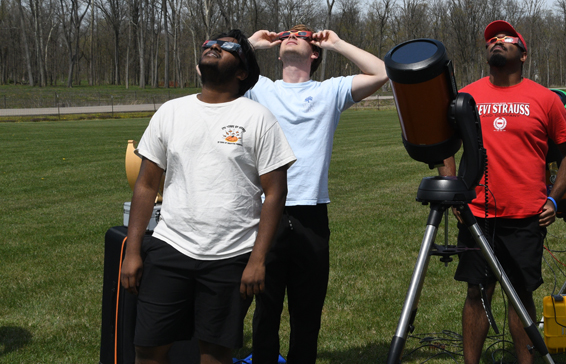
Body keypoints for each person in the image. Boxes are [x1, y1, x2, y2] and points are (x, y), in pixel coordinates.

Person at [120, 30, 296, 364]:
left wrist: (258, 261)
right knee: (148, 350)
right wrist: (133, 251)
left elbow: (275, 193)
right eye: (209, 44)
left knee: (214, 354)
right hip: (171, 248)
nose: (213, 47)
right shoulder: (171, 112)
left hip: (232, 256)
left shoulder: (258, 118)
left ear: (242, 71)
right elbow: (145, 185)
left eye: (227, 46)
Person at [440, 20, 566, 364]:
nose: (496, 42)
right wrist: (454, 189)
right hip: (477, 214)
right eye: (491, 39)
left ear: (523, 53)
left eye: (506, 38)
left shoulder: (545, 99)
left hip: (525, 215)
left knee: (520, 295)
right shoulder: (466, 97)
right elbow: (445, 145)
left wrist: (554, 198)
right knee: (477, 292)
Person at [245, 24, 388, 364]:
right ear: (278, 51)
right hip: (268, 214)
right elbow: (209, 70)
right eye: (287, 34)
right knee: (266, 309)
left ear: (314, 53)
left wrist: (337, 43)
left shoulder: (330, 91)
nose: (292, 35)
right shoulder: (259, 88)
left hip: (312, 214)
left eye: (303, 34)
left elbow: (382, 72)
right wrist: (250, 45)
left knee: (307, 313)